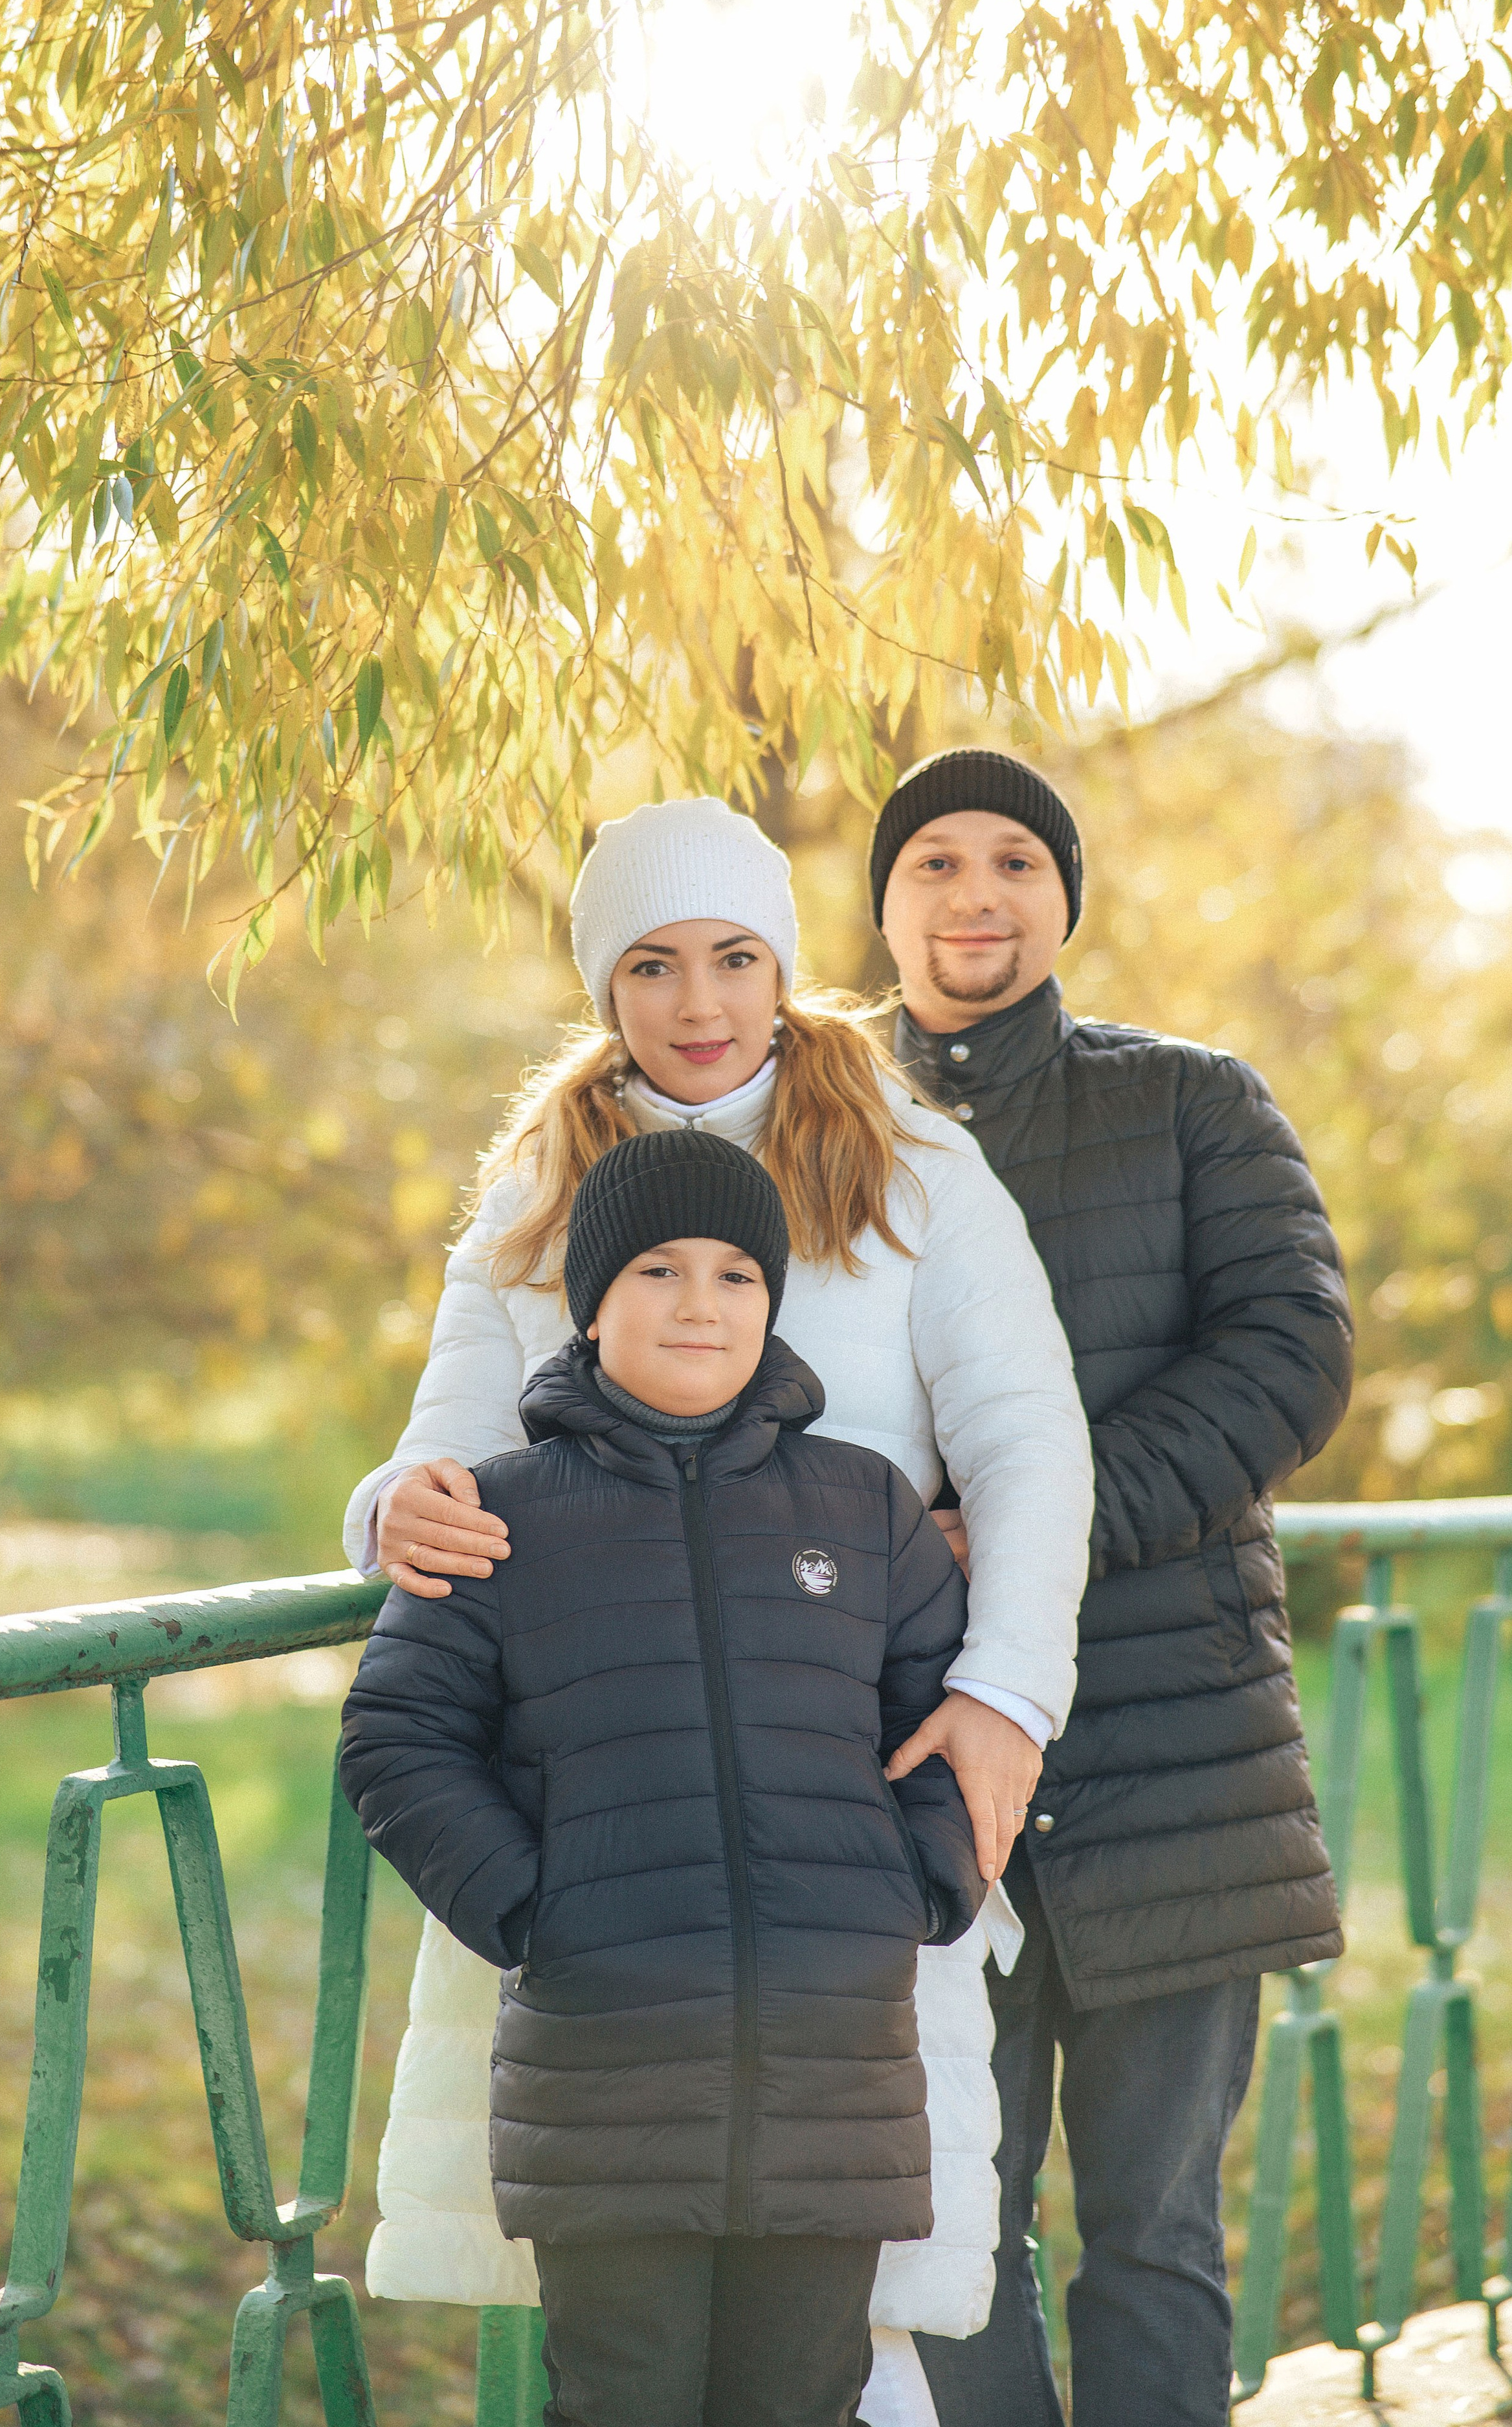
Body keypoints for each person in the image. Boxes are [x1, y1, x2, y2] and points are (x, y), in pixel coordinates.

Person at [342, 794, 1095, 2406]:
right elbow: (448, 1458)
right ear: (605, 987)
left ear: (784, 966)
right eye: (654, 966)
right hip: (613, 1819)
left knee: (854, 2291)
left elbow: (1030, 1439)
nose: (699, 1006)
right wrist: (387, 1512)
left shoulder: (911, 1161)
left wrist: (1002, 1696)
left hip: (850, 1778)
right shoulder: (544, 1174)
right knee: (627, 2320)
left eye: (735, 959)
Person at [340, 1130, 992, 2427]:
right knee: (621, 2403)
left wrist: (911, 1886)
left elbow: (946, 1718)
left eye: (735, 1275)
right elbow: (394, 1736)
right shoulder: (499, 1514)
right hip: (609, 2076)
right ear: (590, 1301)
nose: (700, 1303)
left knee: (799, 2401)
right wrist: (538, 1906)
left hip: (830, 2079)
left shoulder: (862, 1512)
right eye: (657, 1269)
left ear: (771, 1300)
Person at [865, 748, 1353, 2427]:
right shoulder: (818, 1118)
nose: (976, 894)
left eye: (1016, 859)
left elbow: (1294, 1359)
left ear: (1066, 896)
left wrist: (1027, 1526)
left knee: (1152, 2233)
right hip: (921, 1769)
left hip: (1174, 1756)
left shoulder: (1193, 1102)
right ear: (885, 902)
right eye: (935, 862)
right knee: (948, 2245)